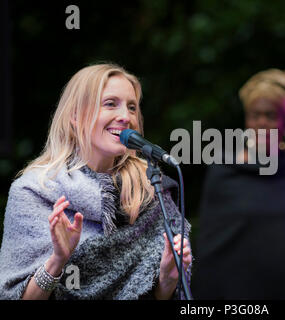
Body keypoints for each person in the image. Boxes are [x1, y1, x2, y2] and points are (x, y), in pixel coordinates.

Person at [0, 63, 192, 299]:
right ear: (75, 116)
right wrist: (57, 262)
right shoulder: (34, 191)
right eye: (110, 104)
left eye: (132, 108)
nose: (125, 117)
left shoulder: (151, 190)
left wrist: (167, 280)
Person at [193, 67, 285, 299]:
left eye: (270, 115)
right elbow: (211, 251)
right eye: (254, 115)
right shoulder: (225, 174)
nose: (261, 123)